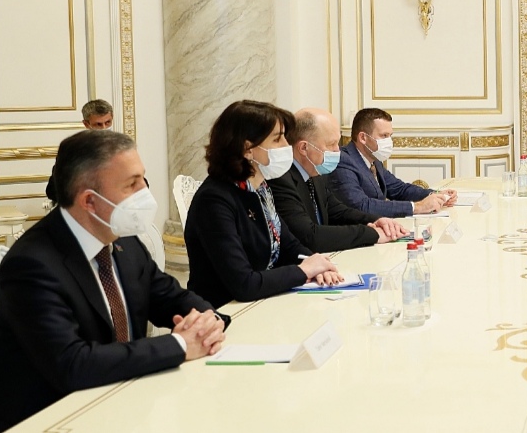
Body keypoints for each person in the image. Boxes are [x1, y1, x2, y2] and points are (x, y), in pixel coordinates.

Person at [0, 130, 226, 433]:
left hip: (123, 402)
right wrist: (180, 344)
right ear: (90, 201)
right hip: (53, 418)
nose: (145, 192)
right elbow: (73, 364)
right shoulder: (31, 265)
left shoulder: (123, 240)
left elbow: (171, 297)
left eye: (143, 179)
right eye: (132, 184)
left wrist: (207, 321)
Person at [184, 100, 343, 309]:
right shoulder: (214, 200)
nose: (287, 145)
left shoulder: (260, 188)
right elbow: (244, 284)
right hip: (224, 312)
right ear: (247, 149)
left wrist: (318, 264)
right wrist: (304, 270)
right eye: (277, 139)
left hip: (263, 302)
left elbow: (288, 245)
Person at [268, 108, 411, 252]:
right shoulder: (281, 180)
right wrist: (372, 234)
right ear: (304, 148)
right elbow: (309, 236)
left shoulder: (316, 171)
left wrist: (376, 220)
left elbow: (338, 211)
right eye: (331, 144)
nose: (338, 150)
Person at [329, 108, 457, 218]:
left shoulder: (374, 159)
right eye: (384, 136)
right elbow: (361, 205)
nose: (389, 141)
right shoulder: (343, 161)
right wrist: (417, 207)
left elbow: (399, 189)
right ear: (363, 138)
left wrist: (436, 195)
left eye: (390, 135)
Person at [45, 99, 118, 202]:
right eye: (98, 124)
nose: (104, 128)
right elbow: (53, 190)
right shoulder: (72, 151)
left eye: (108, 122)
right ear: (86, 124)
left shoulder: (123, 148)